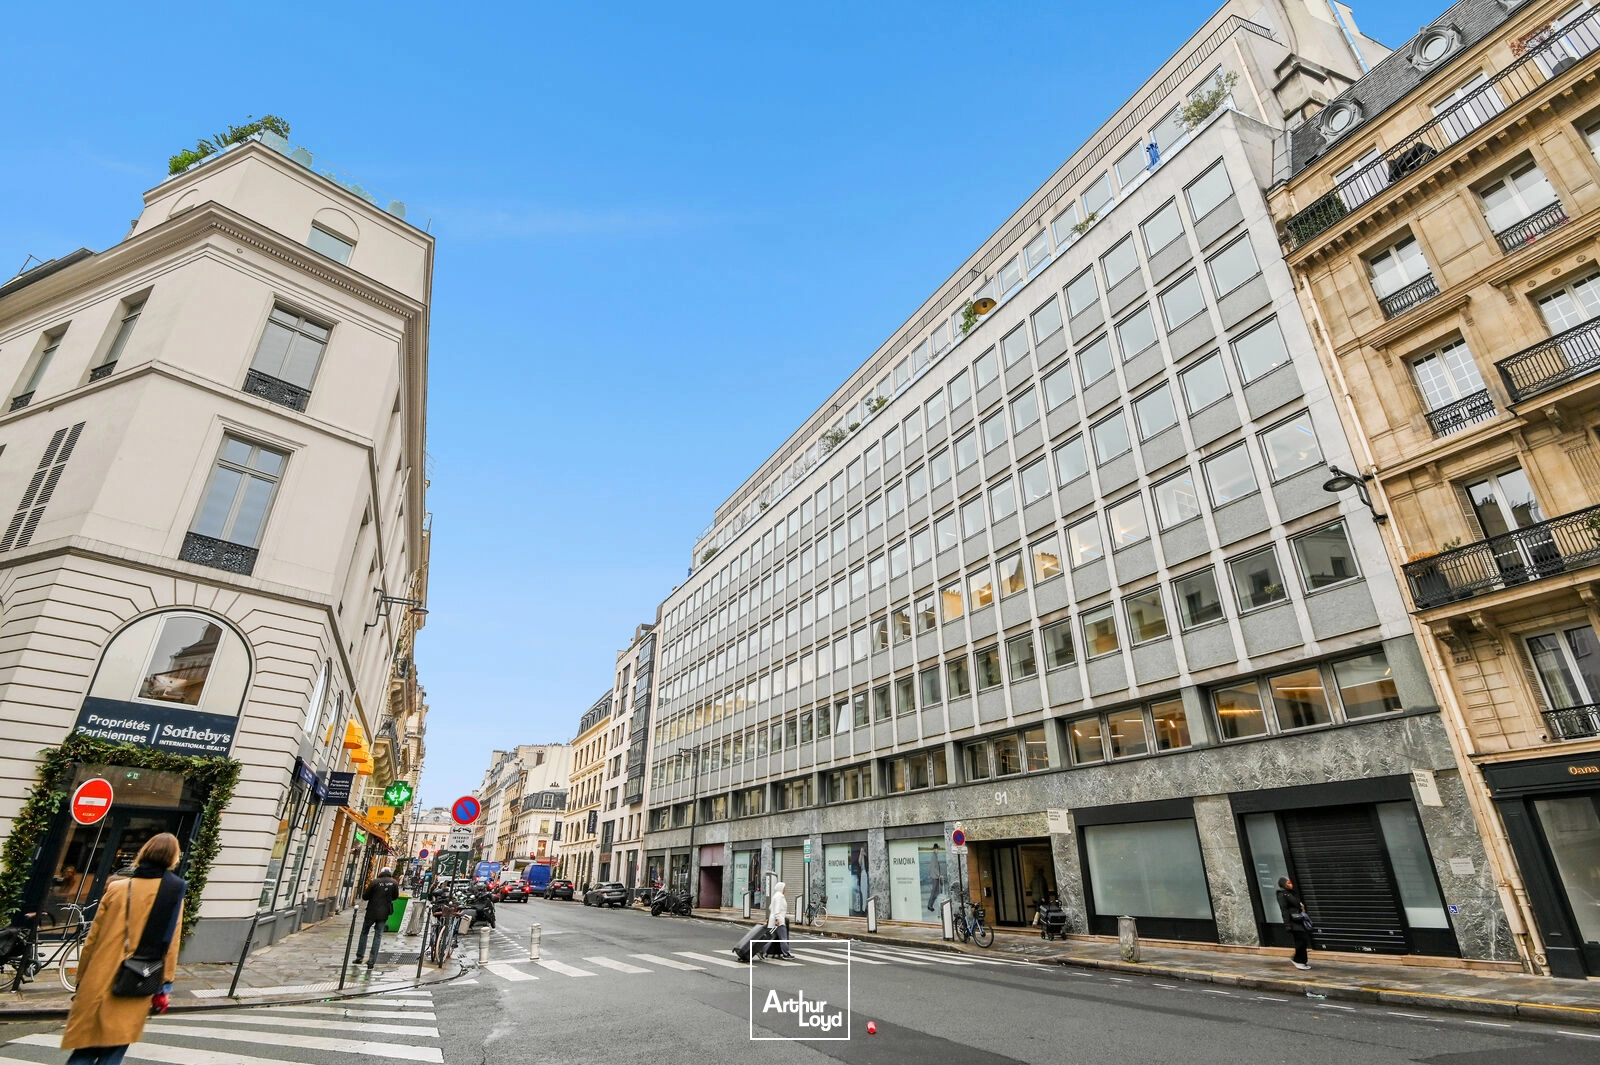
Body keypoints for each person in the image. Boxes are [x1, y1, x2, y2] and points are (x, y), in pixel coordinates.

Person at [61, 832, 187, 1065]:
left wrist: (81, 978)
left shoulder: (117, 888)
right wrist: (165, 986)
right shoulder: (172, 894)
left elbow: (93, 938)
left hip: (99, 975)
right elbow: (170, 943)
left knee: (84, 1050)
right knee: (114, 1050)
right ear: (173, 859)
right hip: (136, 977)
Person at [354, 867, 400, 969]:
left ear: (381, 872)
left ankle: (359, 957)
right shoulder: (394, 883)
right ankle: (371, 961)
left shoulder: (375, 882)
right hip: (384, 913)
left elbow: (365, 896)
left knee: (364, 933)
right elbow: (395, 896)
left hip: (371, 911)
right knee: (378, 936)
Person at [1276, 876, 1313, 971]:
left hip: (1299, 919)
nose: (1290, 884)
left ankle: (1301, 961)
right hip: (1292, 921)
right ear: (1283, 884)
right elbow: (1284, 910)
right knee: (1301, 940)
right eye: (1288, 883)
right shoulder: (1282, 895)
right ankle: (1298, 960)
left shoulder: (1291, 893)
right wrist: (1287, 924)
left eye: (1290, 882)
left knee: (1303, 940)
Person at [768, 880, 794, 960]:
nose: (785, 889)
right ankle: (786, 954)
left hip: (774, 919)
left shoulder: (775, 895)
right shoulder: (780, 896)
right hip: (779, 920)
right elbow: (777, 909)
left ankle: (762, 951)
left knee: (771, 938)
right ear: (781, 888)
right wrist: (777, 919)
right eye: (784, 888)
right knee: (783, 938)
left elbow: (770, 907)